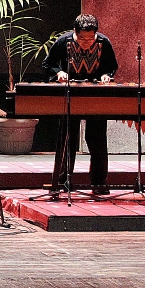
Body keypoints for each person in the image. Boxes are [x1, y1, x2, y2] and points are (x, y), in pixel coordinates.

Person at [44, 14, 118, 195]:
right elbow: (48, 63)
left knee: (97, 138)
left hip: (95, 95)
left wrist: (106, 75)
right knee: (68, 137)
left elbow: (112, 66)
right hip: (70, 94)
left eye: (91, 38)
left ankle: (99, 182)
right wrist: (59, 73)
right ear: (75, 32)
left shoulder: (104, 42)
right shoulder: (64, 41)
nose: (87, 42)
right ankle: (62, 181)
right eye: (82, 38)